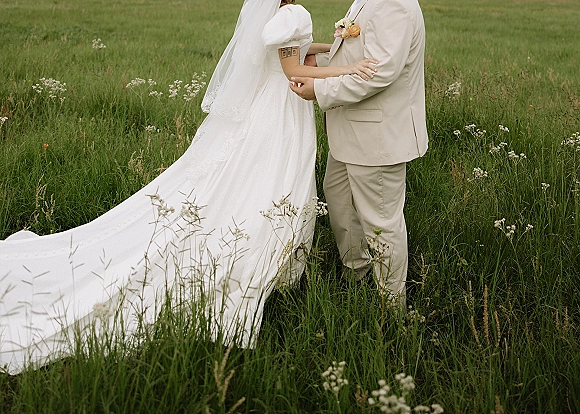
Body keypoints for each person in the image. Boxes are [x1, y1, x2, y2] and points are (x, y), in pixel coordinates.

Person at [0, 0, 377, 374]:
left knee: (247, 180)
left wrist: (330, 47)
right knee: (275, 178)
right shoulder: (294, 13)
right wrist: (350, 67)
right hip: (280, 111)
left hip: (264, 108)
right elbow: (292, 66)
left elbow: (286, 48)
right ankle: (258, 263)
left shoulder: (279, 16)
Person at [290, 0, 428, 305]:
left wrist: (320, 90)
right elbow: (357, 55)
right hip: (351, 130)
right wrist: (320, 65)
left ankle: (391, 306)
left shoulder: (394, 5)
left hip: (376, 136)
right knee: (337, 194)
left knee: (380, 221)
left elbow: (380, 72)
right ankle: (357, 274)